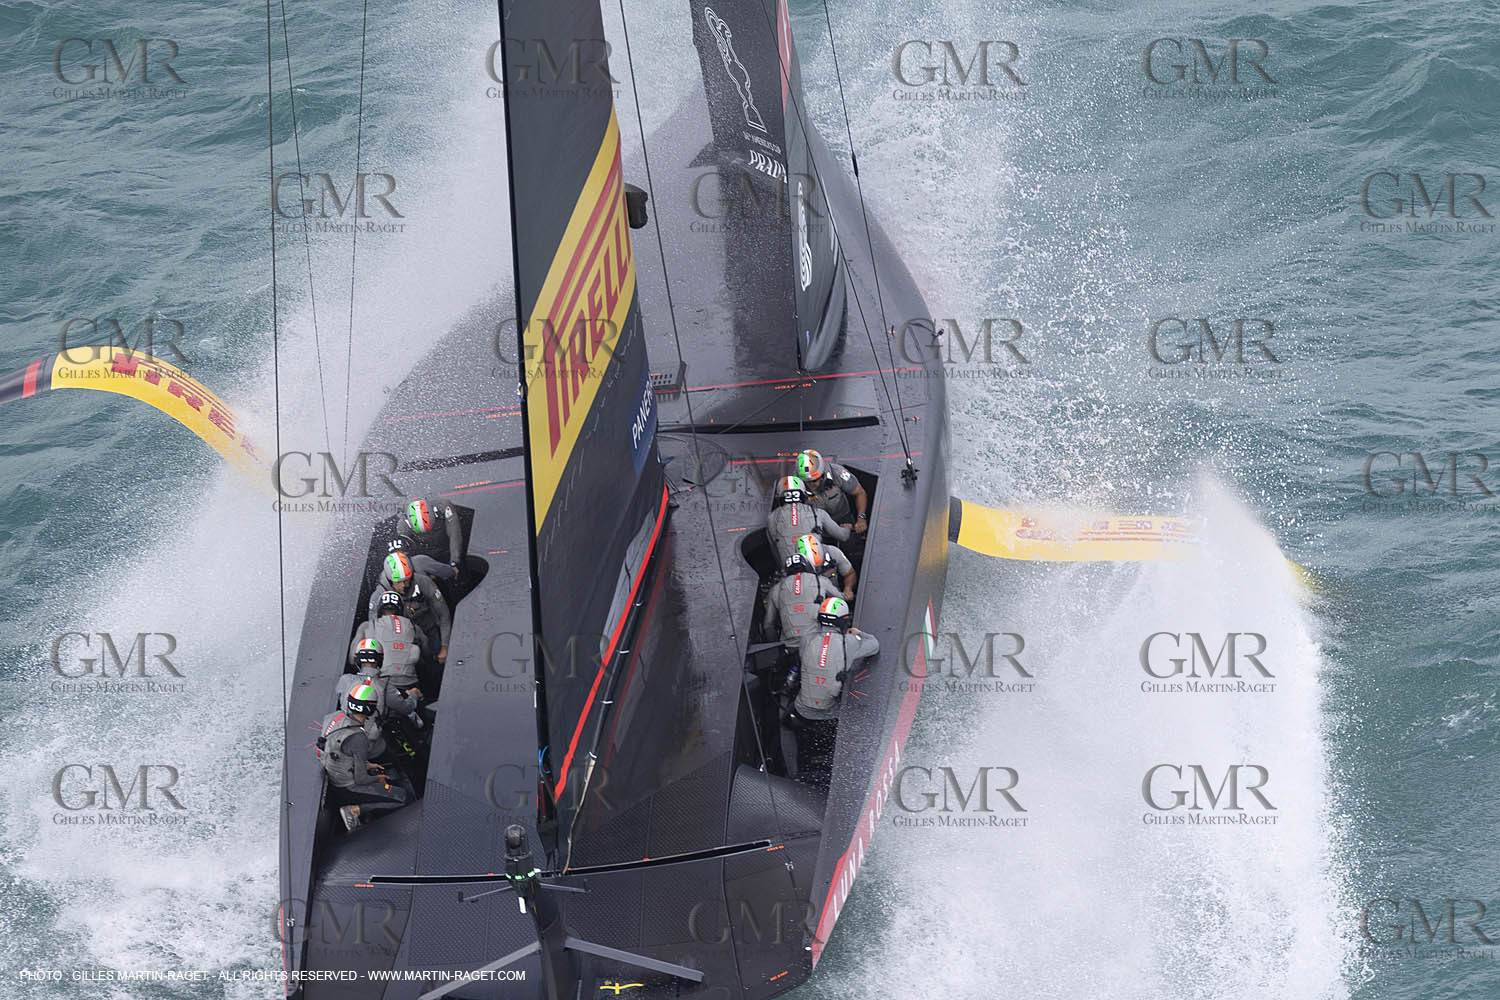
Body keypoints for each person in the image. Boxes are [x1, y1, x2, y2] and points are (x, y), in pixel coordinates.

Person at [787, 597, 879, 785]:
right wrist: (859, 633)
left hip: (802, 711)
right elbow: (874, 645)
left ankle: (798, 770)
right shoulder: (850, 643)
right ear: (843, 621)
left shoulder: (806, 639)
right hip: (830, 715)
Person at [317, 680, 415, 831]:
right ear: (371, 708)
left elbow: (339, 752)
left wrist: (368, 765)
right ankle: (355, 810)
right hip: (349, 787)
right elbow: (361, 779)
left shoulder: (333, 717)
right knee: (403, 797)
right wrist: (378, 779)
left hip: (337, 776)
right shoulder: (358, 737)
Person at [367, 552, 452, 669]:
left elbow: (443, 614)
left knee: (438, 664)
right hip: (402, 642)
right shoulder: (378, 596)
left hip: (429, 631)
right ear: (389, 579)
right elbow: (374, 631)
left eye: (406, 580)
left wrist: (445, 646)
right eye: (398, 582)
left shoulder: (423, 582)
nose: (404, 586)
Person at [760, 551, 841, 648]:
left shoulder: (776, 589)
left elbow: (768, 625)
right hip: (819, 641)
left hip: (789, 646)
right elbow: (841, 600)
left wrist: (776, 647)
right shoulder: (821, 580)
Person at [765, 475, 849, 563]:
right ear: (803, 494)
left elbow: (775, 551)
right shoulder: (818, 513)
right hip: (818, 567)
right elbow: (843, 536)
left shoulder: (771, 518)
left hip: (789, 570)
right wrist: (848, 528)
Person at [795, 449, 868, 535]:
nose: (811, 485)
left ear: (822, 474)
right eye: (806, 481)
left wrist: (861, 518)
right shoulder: (794, 486)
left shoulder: (837, 473)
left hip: (843, 520)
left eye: (814, 480)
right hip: (817, 526)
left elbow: (860, 493)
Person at [397, 498, 466, 579]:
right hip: (426, 555)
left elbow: (454, 533)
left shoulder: (443, 506)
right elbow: (402, 554)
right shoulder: (403, 525)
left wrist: (455, 561)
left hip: (446, 545)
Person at [792, 534, 856, 601]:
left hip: (836, 598)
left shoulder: (833, 552)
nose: (817, 570)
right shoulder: (794, 566)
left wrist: (848, 588)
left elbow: (850, 574)